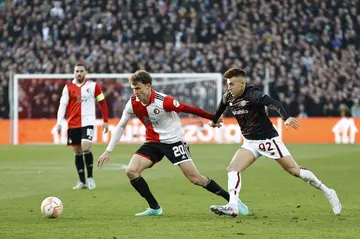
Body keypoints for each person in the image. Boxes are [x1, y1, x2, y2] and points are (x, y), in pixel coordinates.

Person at [97, 70, 249, 216]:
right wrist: (108, 150)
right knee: (131, 171)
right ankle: (154, 208)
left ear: (148, 86)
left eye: (138, 88)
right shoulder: (132, 103)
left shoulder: (164, 102)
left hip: (174, 142)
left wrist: (213, 117)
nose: (135, 92)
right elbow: (121, 125)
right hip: (153, 142)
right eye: (133, 88)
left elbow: (190, 108)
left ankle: (232, 200)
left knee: (196, 179)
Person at [208, 68, 342, 217]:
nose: (229, 87)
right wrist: (214, 121)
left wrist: (286, 117)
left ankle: (328, 192)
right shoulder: (228, 96)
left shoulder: (254, 94)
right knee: (233, 168)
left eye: (232, 84)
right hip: (250, 142)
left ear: (242, 83)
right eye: (228, 84)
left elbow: (273, 103)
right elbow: (220, 108)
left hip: (268, 140)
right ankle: (233, 205)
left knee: (295, 171)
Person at [56, 63, 109, 190]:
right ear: (74, 73)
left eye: (81, 71)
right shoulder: (68, 87)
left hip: (88, 122)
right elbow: (62, 105)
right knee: (77, 152)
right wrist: (59, 122)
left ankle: (90, 178)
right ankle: (82, 181)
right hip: (73, 123)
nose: (79, 73)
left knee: (86, 147)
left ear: (86, 72)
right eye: (77, 71)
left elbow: (102, 102)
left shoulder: (94, 86)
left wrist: (105, 120)